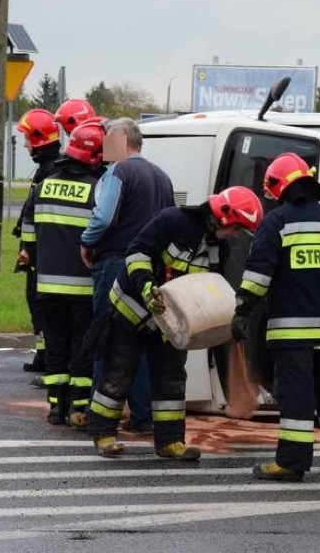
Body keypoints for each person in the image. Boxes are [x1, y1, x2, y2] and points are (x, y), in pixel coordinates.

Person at [231, 152, 320, 482]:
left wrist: (243, 311)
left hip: (289, 335)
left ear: (279, 187)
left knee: (296, 397)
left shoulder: (277, 223)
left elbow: (258, 275)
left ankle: (291, 462)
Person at [88, 185, 264, 459]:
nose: (235, 235)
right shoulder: (172, 221)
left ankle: (170, 442)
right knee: (118, 372)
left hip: (170, 323)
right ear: (224, 217)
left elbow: (208, 287)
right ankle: (103, 434)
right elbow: (137, 254)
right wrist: (146, 287)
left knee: (171, 378)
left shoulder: (219, 248)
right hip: (132, 310)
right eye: (237, 228)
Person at [80, 117, 172, 435]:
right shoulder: (162, 176)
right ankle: (143, 416)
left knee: (106, 338)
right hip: (149, 270)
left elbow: (104, 216)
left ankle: (99, 413)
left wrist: (87, 240)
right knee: (143, 341)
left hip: (116, 263)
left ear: (121, 140)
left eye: (108, 139)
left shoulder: (118, 171)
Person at [26, 118, 103, 427]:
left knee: (55, 348)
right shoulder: (97, 190)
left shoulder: (44, 187)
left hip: (47, 285)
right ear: (95, 157)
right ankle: (78, 408)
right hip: (83, 288)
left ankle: (55, 408)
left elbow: (29, 232)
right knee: (81, 349)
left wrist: (36, 261)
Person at [13, 109, 64, 374]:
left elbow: (37, 215)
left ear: (39, 139)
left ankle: (47, 358)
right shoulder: (47, 168)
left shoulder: (49, 171)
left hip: (43, 253)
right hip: (41, 252)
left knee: (41, 304)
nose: (24, 145)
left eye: (26, 139)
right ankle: (43, 355)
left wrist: (29, 249)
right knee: (36, 303)